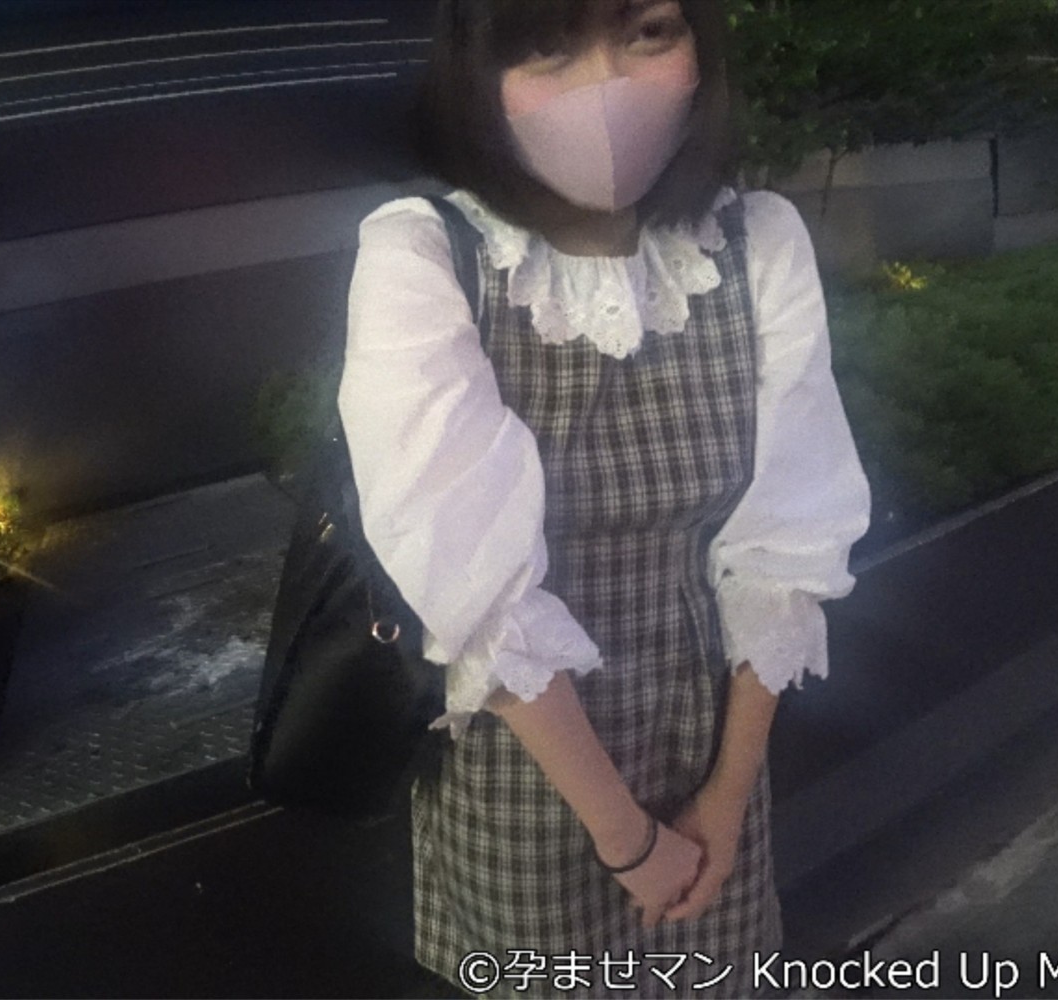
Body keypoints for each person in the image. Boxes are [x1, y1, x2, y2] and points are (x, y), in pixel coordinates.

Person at [337, 0, 871, 996]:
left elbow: (788, 540)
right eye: (545, 46)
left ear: (700, 49)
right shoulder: (427, 253)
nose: (603, 86)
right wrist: (626, 838)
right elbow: (471, 587)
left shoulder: (756, 242)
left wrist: (724, 798)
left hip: (714, 749)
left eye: (647, 31)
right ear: (479, 77)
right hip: (527, 766)